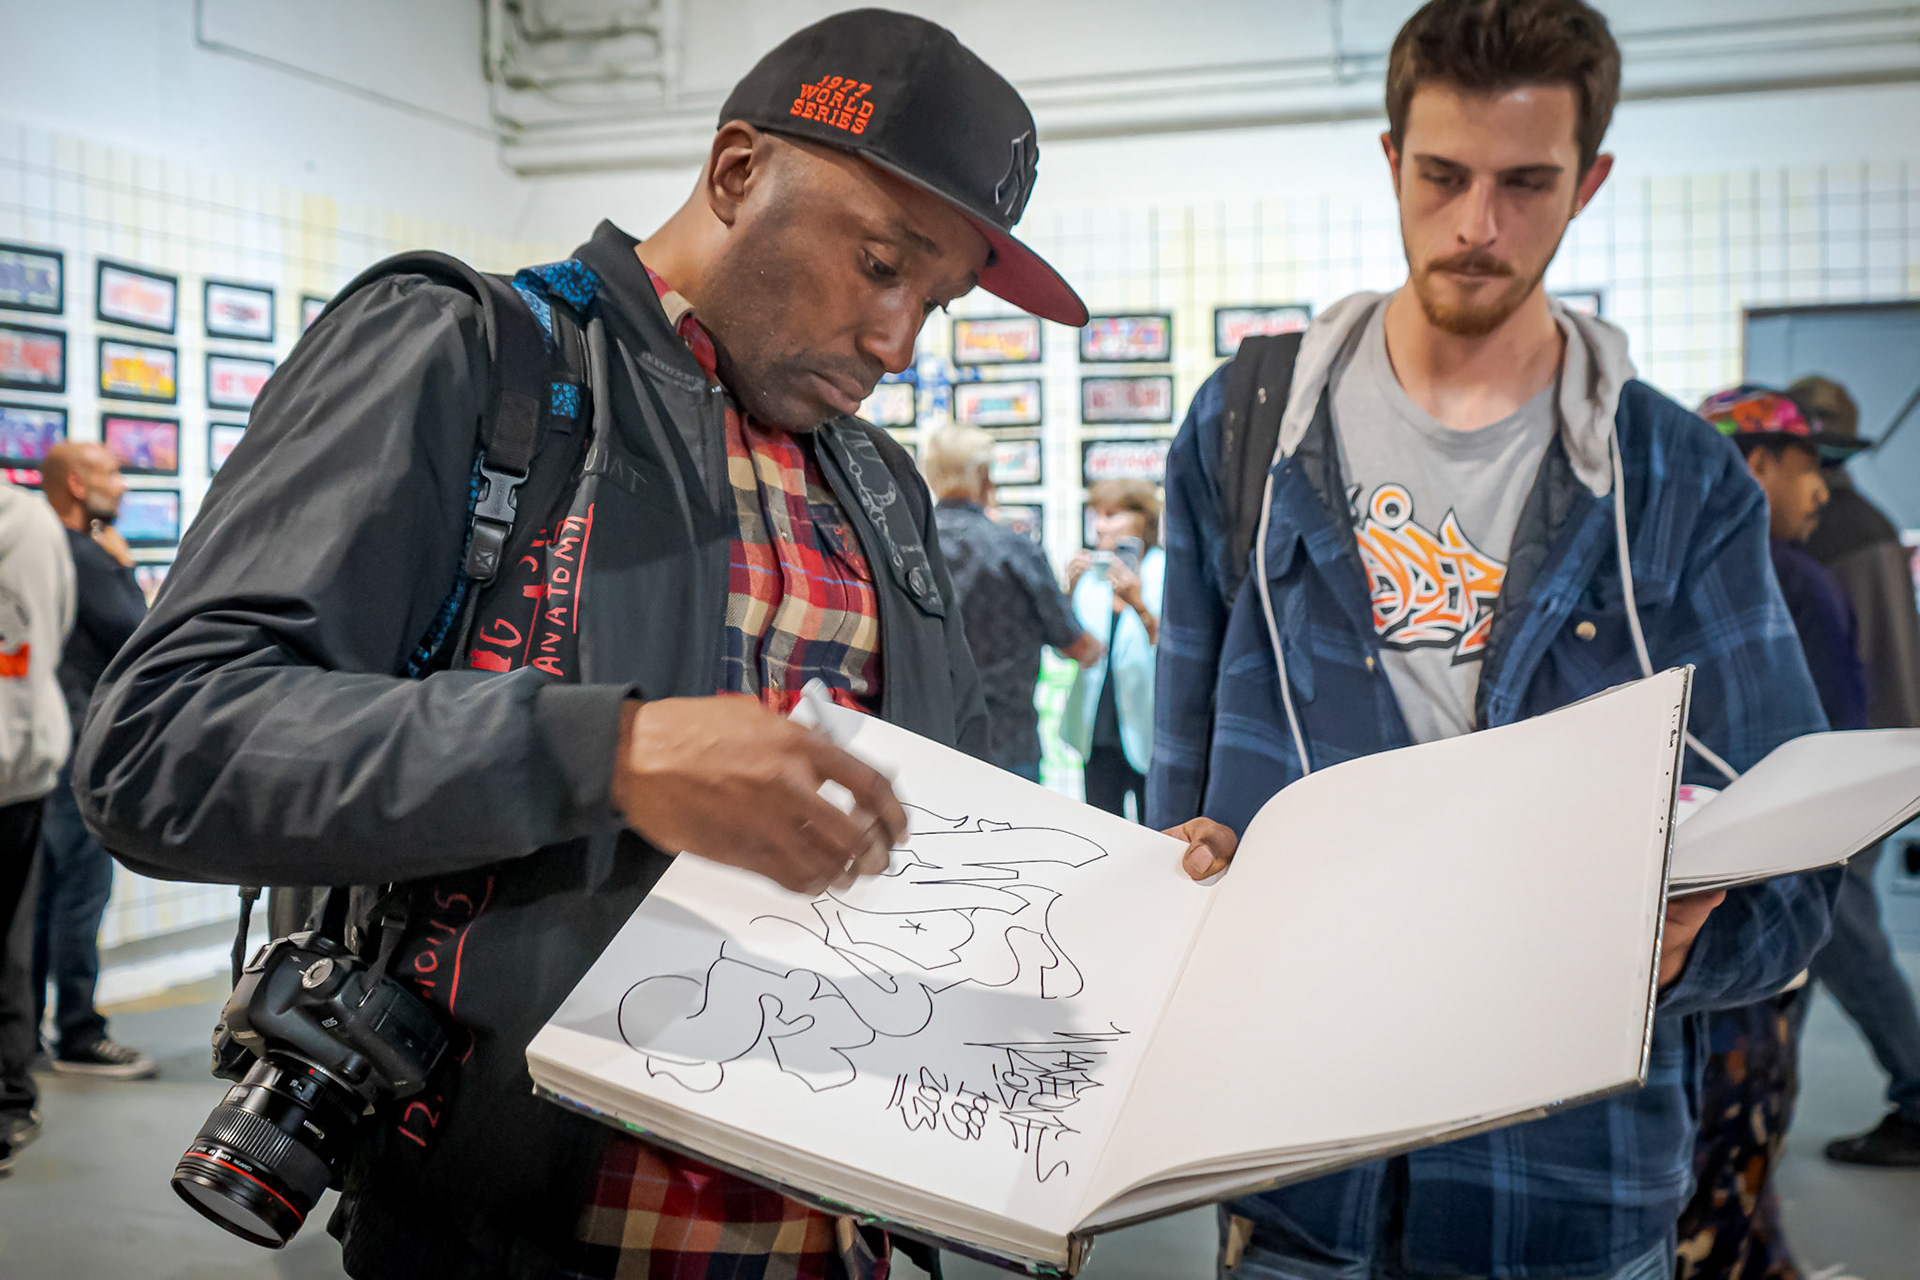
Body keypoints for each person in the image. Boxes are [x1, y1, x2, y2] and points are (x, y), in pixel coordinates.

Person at [74, 11, 1233, 1279]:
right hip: (515, 1234)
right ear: (737, 172)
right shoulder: (471, 356)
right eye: (879, 265)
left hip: (831, 1234)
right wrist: (610, 750)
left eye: (935, 301)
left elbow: (925, 827)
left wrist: (1116, 894)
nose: (898, 342)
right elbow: (161, 745)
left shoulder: (880, 486)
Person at [1150, 2, 1838, 1277]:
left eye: (1526, 184)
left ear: (1589, 182)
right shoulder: (1245, 430)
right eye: (1442, 176)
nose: (1477, 225)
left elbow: (1795, 861)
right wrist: (1185, 878)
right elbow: (1175, 793)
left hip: (1566, 1181)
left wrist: (1688, 936)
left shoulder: (1676, 478)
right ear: (1390, 160)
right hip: (1297, 1157)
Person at [1676, 387, 1871, 1275]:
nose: (1823, 488)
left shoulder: (1748, 574)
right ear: (1752, 464)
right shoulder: (1781, 577)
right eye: (1808, 466)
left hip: (1718, 913)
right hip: (1742, 916)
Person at [1785, 376, 1920, 1168]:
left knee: (1843, 937)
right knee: (1807, 940)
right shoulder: (1848, 522)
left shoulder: (1842, 531)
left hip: (1856, 766)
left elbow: (1881, 670)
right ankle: (1767, 1102)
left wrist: (1879, 782)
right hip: (1859, 761)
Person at [34, 444, 154, 1079]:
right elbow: (142, 638)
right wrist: (125, 570)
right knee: (80, 894)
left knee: (40, 897)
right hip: (79, 750)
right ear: (77, 485)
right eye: (111, 472)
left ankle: (26, 1036)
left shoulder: (38, 549)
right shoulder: (88, 556)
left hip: (41, 746)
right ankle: (79, 1032)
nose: (123, 485)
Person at [923, 423, 1102, 781]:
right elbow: (1076, 646)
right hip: (1008, 741)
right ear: (984, 475)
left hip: (929, 740)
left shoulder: (910, 546)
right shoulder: (1014, 549)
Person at [0, 480, 73, 1174]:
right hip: (22, 758)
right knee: (10, 940)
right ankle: (9, 1102)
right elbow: (59, 619)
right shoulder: (33, 520)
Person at [1063, 479, 1163, 818]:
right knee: (1101, 828)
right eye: (1097, 515)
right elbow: (1068, 651)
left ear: (1142, 519)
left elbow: (1173, 651)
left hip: (1151, 727)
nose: (1100, 526)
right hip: (1097, 729)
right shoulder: (1092, 578)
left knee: (1157, 827)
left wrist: (1138, 604)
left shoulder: (1165, 571)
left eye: (1111, 515)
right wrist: (1067, 593)